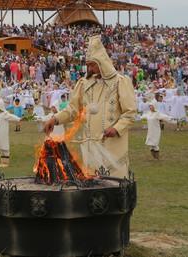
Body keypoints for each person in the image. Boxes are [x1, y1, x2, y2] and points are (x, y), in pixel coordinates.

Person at [44, 35, 137, 178]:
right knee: (93, 190)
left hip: (113, 147)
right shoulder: (84, 83)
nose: (90, 68)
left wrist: (116, 129)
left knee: (114, 187)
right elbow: (72, 110)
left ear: (102, 63)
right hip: (90, 148)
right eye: (88, 65)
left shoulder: (120, 82)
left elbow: (130, 113)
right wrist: (55, 119)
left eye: (92, 64)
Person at [0, 99, 21, 168]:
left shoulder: (5, 114)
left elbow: (12, 117)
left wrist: (19, 119)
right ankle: (2, 161)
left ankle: (6, 162)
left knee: (5, 146)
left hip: (4, 132)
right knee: (0, 146)